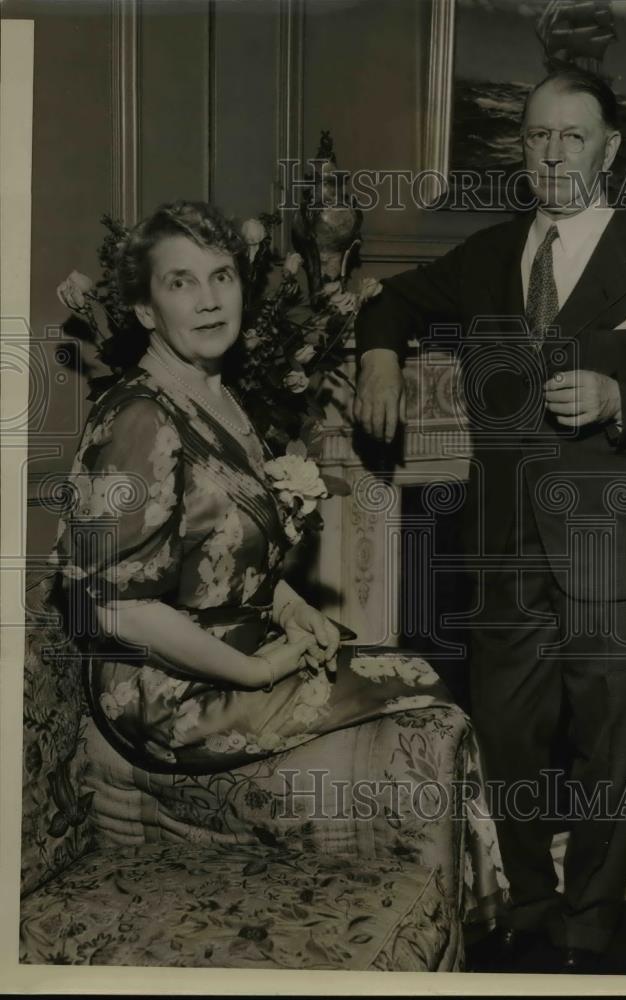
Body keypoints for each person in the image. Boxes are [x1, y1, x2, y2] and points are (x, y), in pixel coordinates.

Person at [354, 68, 626, 972]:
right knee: (508, 740)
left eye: (573, 137)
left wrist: (619, 395)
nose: (552, 154)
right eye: (536, 136)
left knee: (614, 756)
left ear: (609, 150)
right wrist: (378, 355)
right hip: (505, 556)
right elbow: (394, 299)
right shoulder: (489, 254)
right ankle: (528, 906)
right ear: (518, 149)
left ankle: (587, 929)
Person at [50, 201, 507, 931]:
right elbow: (113, 606)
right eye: (180, 282)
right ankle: (463, 921)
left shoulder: (217, 397)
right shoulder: (137, 419)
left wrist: (288, 603)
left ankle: (447, 924)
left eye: (222, 275)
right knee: (422, 695)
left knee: (421, 681)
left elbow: (218, 551)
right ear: (142, 307)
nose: (208, 299)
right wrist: (260, 673)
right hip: (160, 686)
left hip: (228, 639)